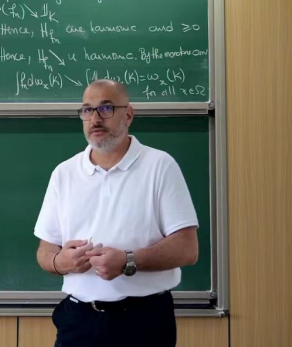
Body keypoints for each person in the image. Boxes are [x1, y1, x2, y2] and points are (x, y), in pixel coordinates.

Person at [34, 79, 199, 347]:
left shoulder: (160, 166)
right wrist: (59, 262)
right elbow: (45, 250)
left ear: (128, 115)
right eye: (87, 110)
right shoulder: (64, 173)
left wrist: (128, 261)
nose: (95, 119)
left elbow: (187, 249)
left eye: (106, 108)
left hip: (144, 321)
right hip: (78, 320)